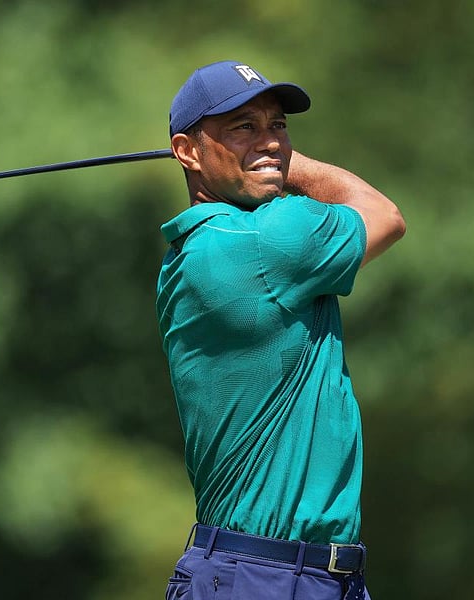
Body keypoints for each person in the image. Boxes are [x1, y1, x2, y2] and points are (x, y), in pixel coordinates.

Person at [156, 60, 406, 600]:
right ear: (187, 150)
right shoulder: (261, 243)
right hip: (257, 576)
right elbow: (383, 214)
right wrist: (285, 165)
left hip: (310, 575)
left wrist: (258, 158)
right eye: (244, 127)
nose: (269, 141)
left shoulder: (202, 248)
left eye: (278, 126)